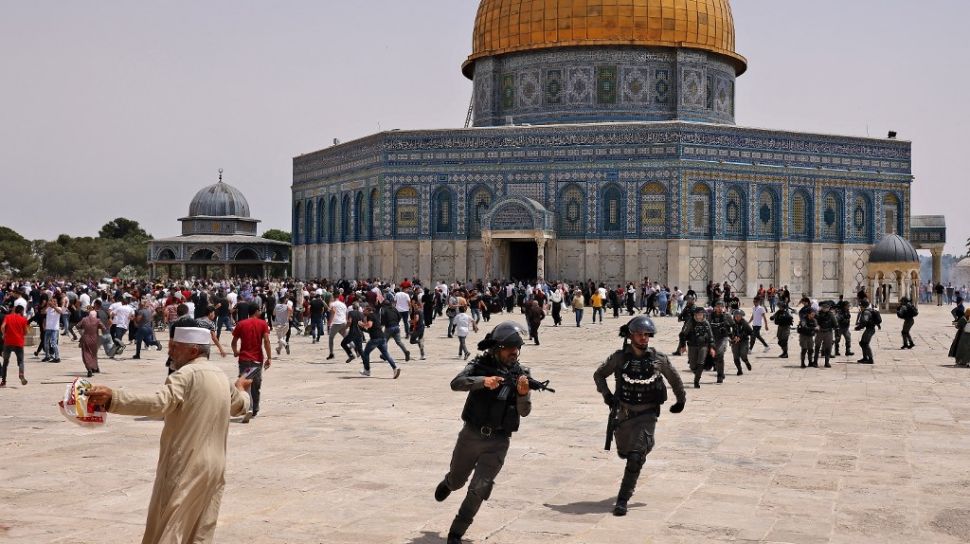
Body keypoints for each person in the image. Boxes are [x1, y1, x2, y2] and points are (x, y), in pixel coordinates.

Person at [86, 327, 252, 544]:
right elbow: (240, 405)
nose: (170, 351)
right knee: (199, 529)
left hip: (186, 466)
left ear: (193, 351)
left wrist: (113, 399)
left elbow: (159, 403)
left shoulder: (185, 375)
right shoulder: (220, 375)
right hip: (214, 467)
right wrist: (240, 388)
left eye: (175, 347)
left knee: (170, 528)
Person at [434, 322, 533, 544]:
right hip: (471, 435)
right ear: (497, 348)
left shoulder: (522, 374)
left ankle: (456, 532)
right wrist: (482, 382)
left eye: (517, 348)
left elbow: (524, 412)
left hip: (498, 441)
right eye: (509, 348)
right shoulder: (479, 365)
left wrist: (523, 394)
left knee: (480, 488)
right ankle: (449, 483)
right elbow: (456, 383)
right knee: (459, 481)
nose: (514, 352)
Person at [594, 316, 686, 516]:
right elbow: (599, 374)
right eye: (639, 334)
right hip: (624, 414)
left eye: (647, 335)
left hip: (647, 414)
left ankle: (622, 499)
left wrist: (681, 401)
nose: (644, 338)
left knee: (635, 457)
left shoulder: (658, 359)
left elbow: (675, 379)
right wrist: (607, 396)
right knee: (625, 452)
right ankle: (643, 446)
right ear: (630, 336)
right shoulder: (619, 358)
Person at [231, 303, 272, 420]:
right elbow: (266, 341)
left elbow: (233, 342)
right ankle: (252, 409)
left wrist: (235, 352)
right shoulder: (263, 324)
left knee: (244, 384)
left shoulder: (241, 324)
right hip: (256, 360)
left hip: (244, 359)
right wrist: (269, 357)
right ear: (256, 311)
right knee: (255, 386)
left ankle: (247, 407)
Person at [359, 304, 401, 379]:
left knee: (365, 353)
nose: (363, 311)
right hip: (382, 337)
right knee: (386, 354)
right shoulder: (375, 315)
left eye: (364, 310)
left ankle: (367, 370)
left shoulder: (370, 316)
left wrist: (361, 324)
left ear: (368, 310)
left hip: (375, 338)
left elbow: (369, 325)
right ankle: (395, 368)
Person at [678, 306, 715, 389]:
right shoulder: (691, 322)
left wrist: (712, 347)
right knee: (692, 366)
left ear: (703, 315)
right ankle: (697, 374)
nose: (699, 316)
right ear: (695, 315)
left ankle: (696, 381)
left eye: (701, 314)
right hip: (692, 345)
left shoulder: (706, 323)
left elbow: (711, 336)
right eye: (697, 314)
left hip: (703, 346)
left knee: (701, 363)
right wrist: (683, 345)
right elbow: (682, 334)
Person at [1, 305, 30, 387]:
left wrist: (4, 335)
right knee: (20, 361)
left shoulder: (8, 317)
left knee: (5, 362)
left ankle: (3, 382)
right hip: (19, 342)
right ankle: (21, 374)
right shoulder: (23, 319)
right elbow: (26, 332)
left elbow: (3, 326)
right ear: (21, 311)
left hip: (8, 342)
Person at [707, 301, 732, 384]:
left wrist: (734, 336)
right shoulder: (710, 316)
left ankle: (720, 376)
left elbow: (734, 326)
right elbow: (707, 326)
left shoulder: (727, 315)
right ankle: (721, 372)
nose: (719, 308)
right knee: (715, 357)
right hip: (713, 338)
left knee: (720, 354)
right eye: (717, 306)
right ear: (714, 307)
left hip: (723, 338)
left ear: (724, 307)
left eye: (721, 306)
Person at [78, 309, 106, 377]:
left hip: (85, 338)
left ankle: (89, 369)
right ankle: (95, 368)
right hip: (94, 339)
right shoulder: (97, 320)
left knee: (86, 354)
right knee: (93, 354)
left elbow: (77, 326)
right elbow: (104, 328)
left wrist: (82, 330)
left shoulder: (84, 319)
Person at [855, 299, 881, 365]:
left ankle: (870, 359)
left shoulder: (866, 312)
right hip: (869, 329)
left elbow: (865, 321)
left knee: (865, 344)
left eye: (861, 306)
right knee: (862, 343)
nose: (860, 307)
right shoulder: (869, 310)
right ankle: (865, 358)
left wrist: (859, 327)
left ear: (863, 306)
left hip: (870, 329)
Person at [813, 301, 837, 368]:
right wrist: (816, 326)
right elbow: (814, 321)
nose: (825, 309)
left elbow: (835, 323)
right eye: (824, 308)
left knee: (828, 348)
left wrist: (837, 331)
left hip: (828, 332)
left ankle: (827, 362)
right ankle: (815, 362)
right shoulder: (818, 314)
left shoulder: (831, 315)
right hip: (820, 332)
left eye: (827, 308)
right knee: (817, 347)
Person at [730, 310, 753, 375]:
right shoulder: (732, 323)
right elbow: (729, 331)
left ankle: (746, 362)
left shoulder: (745, 323)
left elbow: (751, 332)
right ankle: (739, 370)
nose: (737, 317)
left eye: (739, 316)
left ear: (741, 316)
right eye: (736, 316)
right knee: (736, 357)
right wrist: (733, 338)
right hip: (735, 342)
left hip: (744, 341)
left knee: (743, 355)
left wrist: (741, 336)